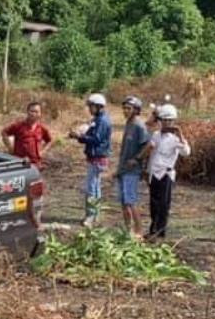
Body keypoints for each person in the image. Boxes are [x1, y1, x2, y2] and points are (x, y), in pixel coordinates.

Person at [144, 103, 190, 240]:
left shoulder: (176, 139)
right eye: (164, 120)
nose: (167, 123)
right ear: (161, 121)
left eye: (169, 121)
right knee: (154, 204)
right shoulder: (156, 135)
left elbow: (186, 152)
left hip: (166, 174)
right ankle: (153, 230)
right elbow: (152, 155)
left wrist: (180, 134)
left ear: (173, 121)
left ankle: (160, 232)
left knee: (164, 204)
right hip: (154, 173)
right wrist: (147, 171)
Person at [69, 93, 112, 227]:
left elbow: (96, 139)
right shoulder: (98, 119)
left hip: (97, 157)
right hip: (97, 157)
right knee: (96, 186)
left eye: (91, 106)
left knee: (91, 188)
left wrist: (79, 137)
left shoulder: (102, 121)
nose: (89, 109)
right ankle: (95, 214)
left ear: (98, 107)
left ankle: (91, 216)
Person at [115, 96, 150, 236]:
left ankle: (139, 230)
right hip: (123, 169)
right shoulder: (129, 124)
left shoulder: (139, 126)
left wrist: (137, 159)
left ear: (136, 110)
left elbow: (148, 145)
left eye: (129, 109)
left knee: (131, 200)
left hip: (132, 171)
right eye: (124, 108)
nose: (125, 111)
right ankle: (127, 229)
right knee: (124, 201)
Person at [2, 101, 53, 168]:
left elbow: (50, 140)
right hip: (19, 162)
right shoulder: (18, 126)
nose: (34, 114)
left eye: (36, 112)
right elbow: (4, 132)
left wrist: (43, 152)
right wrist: (10, 148)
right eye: (32, 111)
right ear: (27, 112)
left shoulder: (42, 129)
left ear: (40, 114)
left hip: (36, 164)